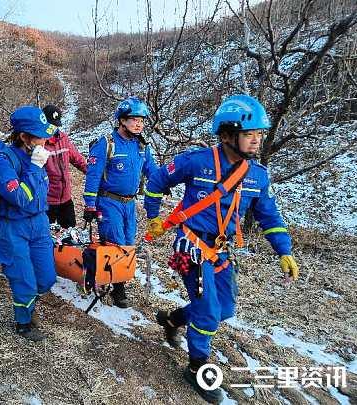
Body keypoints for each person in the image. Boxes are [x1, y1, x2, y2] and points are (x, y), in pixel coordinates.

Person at [144, 94, 300, 404]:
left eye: (259, 135)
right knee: (209, 312)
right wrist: (153, 217)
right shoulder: (196, 161)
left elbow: (269, 215)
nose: (256, 141)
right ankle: (197, 367)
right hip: (191, 246)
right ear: (228, 134)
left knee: (225, 308)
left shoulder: (258, 176)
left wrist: (284, 251)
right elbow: (157, 181)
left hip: (222, 250)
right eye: (249, 134)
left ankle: (174, 319)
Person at [0, 106, 57, 341]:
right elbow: (19, 197)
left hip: (39, 224)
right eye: (40, 136)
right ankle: (23, 322)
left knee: (46, 277)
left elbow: (42, 192)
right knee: (23, 279)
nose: (46, 140)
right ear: (23, 137)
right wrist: (35, 168)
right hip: (12, 227)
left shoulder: (35, 155)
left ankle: (30, 303)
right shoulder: (3, 161)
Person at [83, 96, 158, 308]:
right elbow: (93, 175)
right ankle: (118, 289)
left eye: (142, 120)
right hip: (109, 202)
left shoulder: (142, 147)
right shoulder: (106, 143)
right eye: (134, 119)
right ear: (122, 120)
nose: (139, 124)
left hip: (130, 204)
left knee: (128, 243)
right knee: (115, 242)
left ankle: (118, 277)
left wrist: (164, 181)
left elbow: (151, 170)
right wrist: (89, 204)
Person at [42, 104, 87, 229]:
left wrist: (93, 173)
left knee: (70, 236)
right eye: (51, 125)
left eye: (56, 125)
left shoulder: (63, 138)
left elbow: (77, 159)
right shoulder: (38, 143)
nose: (54, 128)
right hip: (47, 201)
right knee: (46, 238)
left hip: (66, 199)